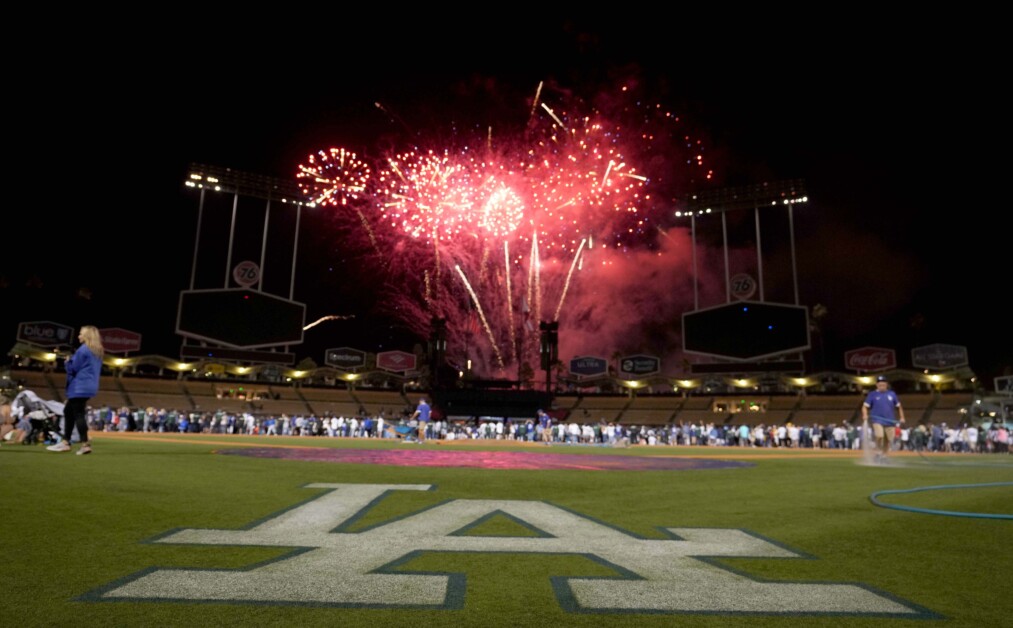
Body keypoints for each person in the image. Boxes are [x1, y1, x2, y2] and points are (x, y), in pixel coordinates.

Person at [47, 325, 104, 455]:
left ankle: (84, 444)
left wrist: (68, 362)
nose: (79, 336)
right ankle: (66, 442)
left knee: (78, 414)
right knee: (68, 411)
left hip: (79, 386)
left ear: (87, 336)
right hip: (90, 385)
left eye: (81, 333)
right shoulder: (97, 351)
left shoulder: (83, 350)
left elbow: (73, 369)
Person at [862, 374, 905, 462]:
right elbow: (864, 406)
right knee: (879, 435)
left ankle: (884, 455)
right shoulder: (872, 394)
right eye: (880, 384)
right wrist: (865, 414)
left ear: (887, 384)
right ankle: (877, 452)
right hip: (877, 420)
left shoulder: (892, 394)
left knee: (888, 439)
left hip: (890, 420)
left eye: (883, 384)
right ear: (877, 385)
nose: (882, 386)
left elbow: (899, 406)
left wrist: (902, 417)